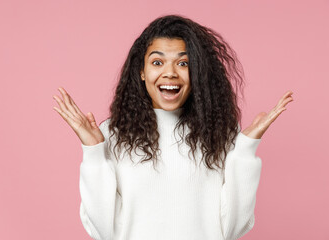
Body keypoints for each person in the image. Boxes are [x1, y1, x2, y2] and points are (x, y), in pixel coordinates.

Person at [53, 14, 293, 240]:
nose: (170, 73)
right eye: (157, 62)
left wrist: (245, 148)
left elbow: (233, 228)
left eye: (183, 63)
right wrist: (94, 151)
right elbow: (103, 230)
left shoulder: (220, 135)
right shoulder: (112, 136)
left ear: (197, 72)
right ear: (142, 73)